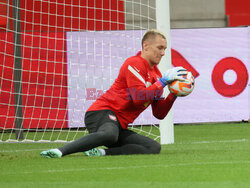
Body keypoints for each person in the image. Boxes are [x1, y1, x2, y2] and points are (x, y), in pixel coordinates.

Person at [40, 29, 187, 158]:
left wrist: (173, 94)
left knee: (153, 147)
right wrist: (162, 83)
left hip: (118, 125)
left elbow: (159, 113)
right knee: (110, 135)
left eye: (164, 49)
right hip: (101, 113)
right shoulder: (134, 63)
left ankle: (101, 153)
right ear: (146, 46)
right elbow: (137, 98)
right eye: (160, 47)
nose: (162, 53)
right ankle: (59, 151)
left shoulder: (157, 75)